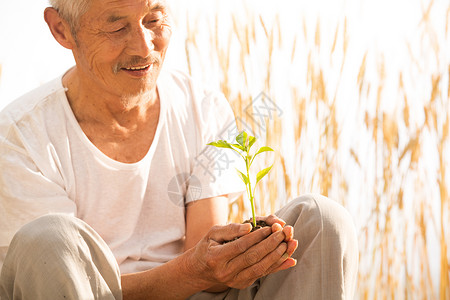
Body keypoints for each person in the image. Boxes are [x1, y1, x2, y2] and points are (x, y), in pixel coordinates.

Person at [0, 0, 359, 299]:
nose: (143, 47)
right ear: (62, 30)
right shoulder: (19, 137)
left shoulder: (201, 107)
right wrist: (194, 271)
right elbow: (57, 280)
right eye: (117, 27)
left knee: (322, 218)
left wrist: (240, 254)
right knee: (50, 238)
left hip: (193, 293)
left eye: (154, 20)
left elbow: (206, 264)